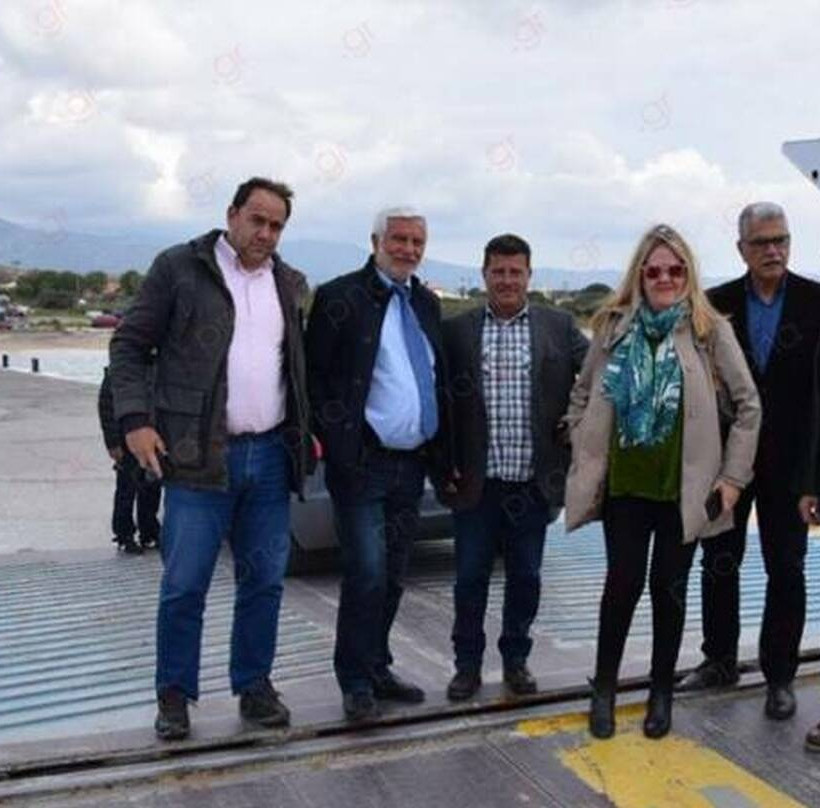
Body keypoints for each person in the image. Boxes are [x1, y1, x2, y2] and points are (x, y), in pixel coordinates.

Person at [110, 177, 314, 740]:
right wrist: (135, 421)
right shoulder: (180, 268)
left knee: (264, 580)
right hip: (198, 457)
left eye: (277, 226)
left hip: (269, 456)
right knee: (185, 583)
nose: (265, 233)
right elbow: (129, 346)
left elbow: (294, 369)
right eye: (257, 219)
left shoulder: (288, 283)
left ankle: (254, 686)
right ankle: (175, 695)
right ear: (232, 214)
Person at [564, 224, 760, 740]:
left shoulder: (709, 329)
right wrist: (582, 440)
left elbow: (748, 406)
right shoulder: (613, 327)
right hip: (626, 487)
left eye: (676, 270)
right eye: (654, 271)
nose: (665, 278)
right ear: (640, 275)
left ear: (688, 274)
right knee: (621, 587)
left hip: (684, 490)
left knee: (668, 591)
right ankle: (604, 688)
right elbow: (582, 393)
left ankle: (661, 692)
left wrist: (733, 478)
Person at [306, 206, 451, 722]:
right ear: (375, 242)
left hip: (411, 464)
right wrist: (338, 442)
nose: (408, 250)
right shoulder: (340, 297)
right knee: (365, 572)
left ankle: (377, 666)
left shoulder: (425, 303)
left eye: (417, 242)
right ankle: (354, 681)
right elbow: (315, 376)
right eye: (399, 239)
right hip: (362, 464)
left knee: (392, 575)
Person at [678, 203, 820, 721]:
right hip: (727, 461)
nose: (773, 250)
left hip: (791, 466)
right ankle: (719, 660)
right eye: (761, 242)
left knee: (787, 568)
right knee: (719, 561)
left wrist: (815, 478)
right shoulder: (714, 305)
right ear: (741, 249)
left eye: (781, 240)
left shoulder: (815, 301)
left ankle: (779, 676)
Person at [438, 234, 587, 701]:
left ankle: (516, 659)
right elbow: (440, 401)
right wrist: (442, 464)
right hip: (476, 484)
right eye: (498, 272)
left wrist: (575, 425)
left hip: (532, 483)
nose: (507, 280)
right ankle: (466, 666)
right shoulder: (456, 332)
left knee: (525, 578)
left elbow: (597, 375)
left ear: (529, 275)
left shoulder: (559, 326)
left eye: (515, 272)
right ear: (484, 275)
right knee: (470, 580)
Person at [97, 365, 161, 554]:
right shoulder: (119, 371)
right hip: (125, 439)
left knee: (152, 487)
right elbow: (106, 409)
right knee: (126, 489)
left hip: (152, 437)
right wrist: (113, 443)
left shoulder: (158, 366)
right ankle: (124, 535)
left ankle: (149, 531)